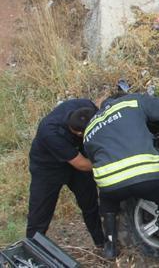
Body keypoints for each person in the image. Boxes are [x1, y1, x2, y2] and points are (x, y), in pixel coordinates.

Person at [82, 93, 159, 267]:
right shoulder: (131, 101)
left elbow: (94, 158)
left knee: (107, 203)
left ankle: (110, 249)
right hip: (146, 172)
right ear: (121, 98)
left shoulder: (89, 128)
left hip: (110, 182)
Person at [27, 99, 105, 247]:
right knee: (40, 214)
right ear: (79, 132)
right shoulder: (50, 132)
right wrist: (111, 162)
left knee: (90, 204)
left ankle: (102, 243)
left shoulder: (86, 107)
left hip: (77, 158)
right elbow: (82, 164)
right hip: (47, 168)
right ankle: (31, 252)